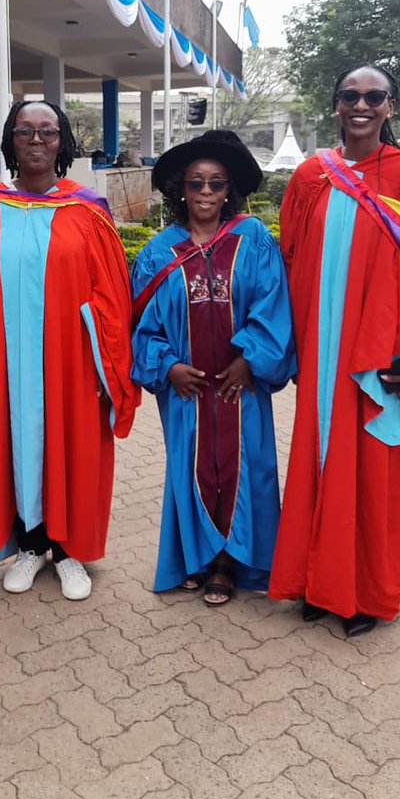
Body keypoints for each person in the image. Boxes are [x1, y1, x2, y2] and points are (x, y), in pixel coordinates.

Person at [269, 63, 400, 636]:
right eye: (350, 96)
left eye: (374, 96)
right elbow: (289, 261)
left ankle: (367, 593)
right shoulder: (311, 176)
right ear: (335, 105)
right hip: (323, 350)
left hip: (383, 349)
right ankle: (318, 581)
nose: (361, 104)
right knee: (318, 459)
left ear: (390, 106)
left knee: (378, 468)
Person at [0, 100, 139, 599]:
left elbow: (113, 294)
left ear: (62, 142)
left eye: (47, 132)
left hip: (71, 359)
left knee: (73, 446)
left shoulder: (87, 209)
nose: (35, 140)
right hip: (10, 360)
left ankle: (70, 554)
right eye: (24, 130)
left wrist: (104, 364)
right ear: (8, 141)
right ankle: (30, 544)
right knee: (15, 445)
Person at [131, 130, 296, 605]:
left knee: (249, 469)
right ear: (180, 189)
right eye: (196, 183)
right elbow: (141, 325)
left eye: (217, 184)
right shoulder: (160, 252)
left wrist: (250, 360)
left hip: (239, 387)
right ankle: (196, 558)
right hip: (188, 390)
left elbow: (273, 304)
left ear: (231, 190)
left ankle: (229, 563)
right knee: (192, 469)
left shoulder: (253, 239)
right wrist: (168, 367)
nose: (206, 192)